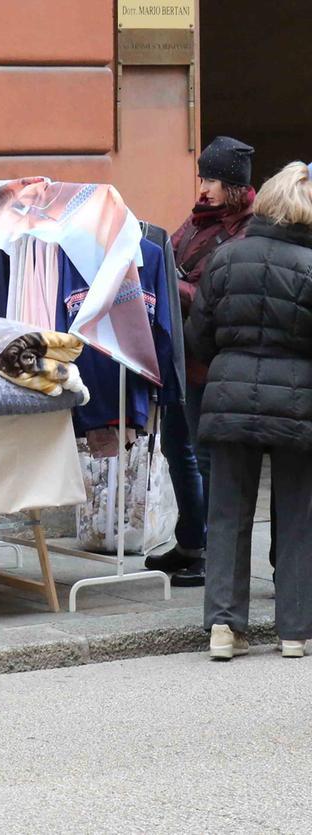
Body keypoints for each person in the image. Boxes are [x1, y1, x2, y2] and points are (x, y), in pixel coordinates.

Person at [185, 161, 312, 661]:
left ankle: (222, 627)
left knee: (228, 512)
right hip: (299, 402)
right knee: (299, 514)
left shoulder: (225, 258)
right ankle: (295, 631)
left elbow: (200, 336)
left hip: (229, 395)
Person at [147, 136, 255, 588]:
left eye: (212, 179)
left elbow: (218, 293)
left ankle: (212, 550)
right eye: (203, 177)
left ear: (233, 185)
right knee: (176, 449)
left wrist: (171, 286)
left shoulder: (246, 231)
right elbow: (171, 255)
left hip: (212, 363)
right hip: (181, 356)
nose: (204, 187)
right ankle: (191, 541)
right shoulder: (198, 221)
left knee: (205, 457)